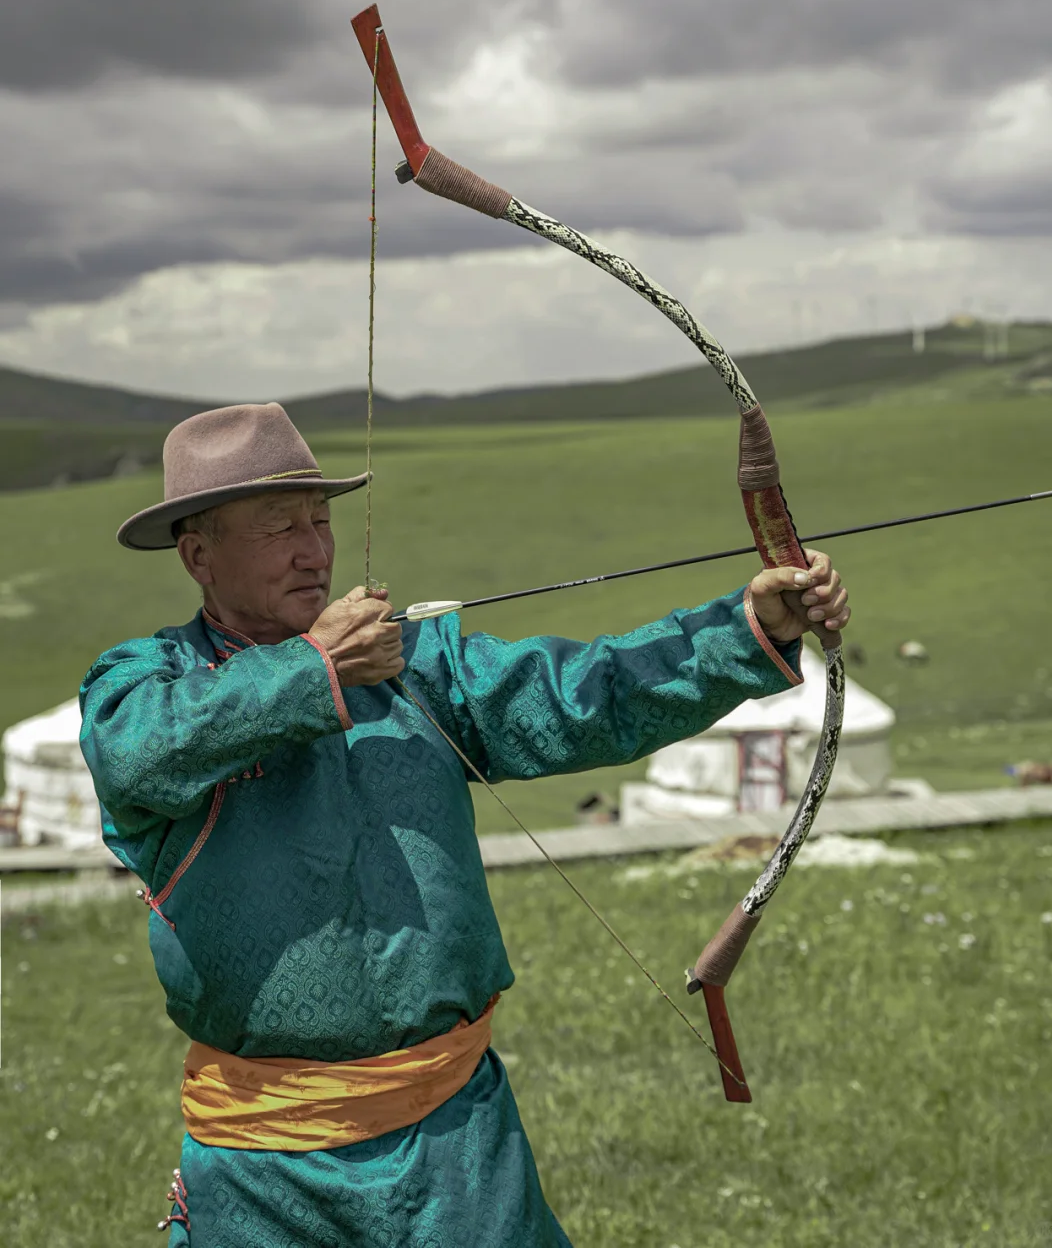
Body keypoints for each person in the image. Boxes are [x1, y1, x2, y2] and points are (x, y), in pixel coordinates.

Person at [80, 402, 850, 1247]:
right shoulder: (142, 683)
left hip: (455, 1149)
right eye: (277, 528)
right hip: (263, 1174)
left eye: (321, 518)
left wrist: (746, 631)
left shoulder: (417, 667)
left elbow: (586, 693)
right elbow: (136, 756)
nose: (315, 549)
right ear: (198, 554)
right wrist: (314, 671)